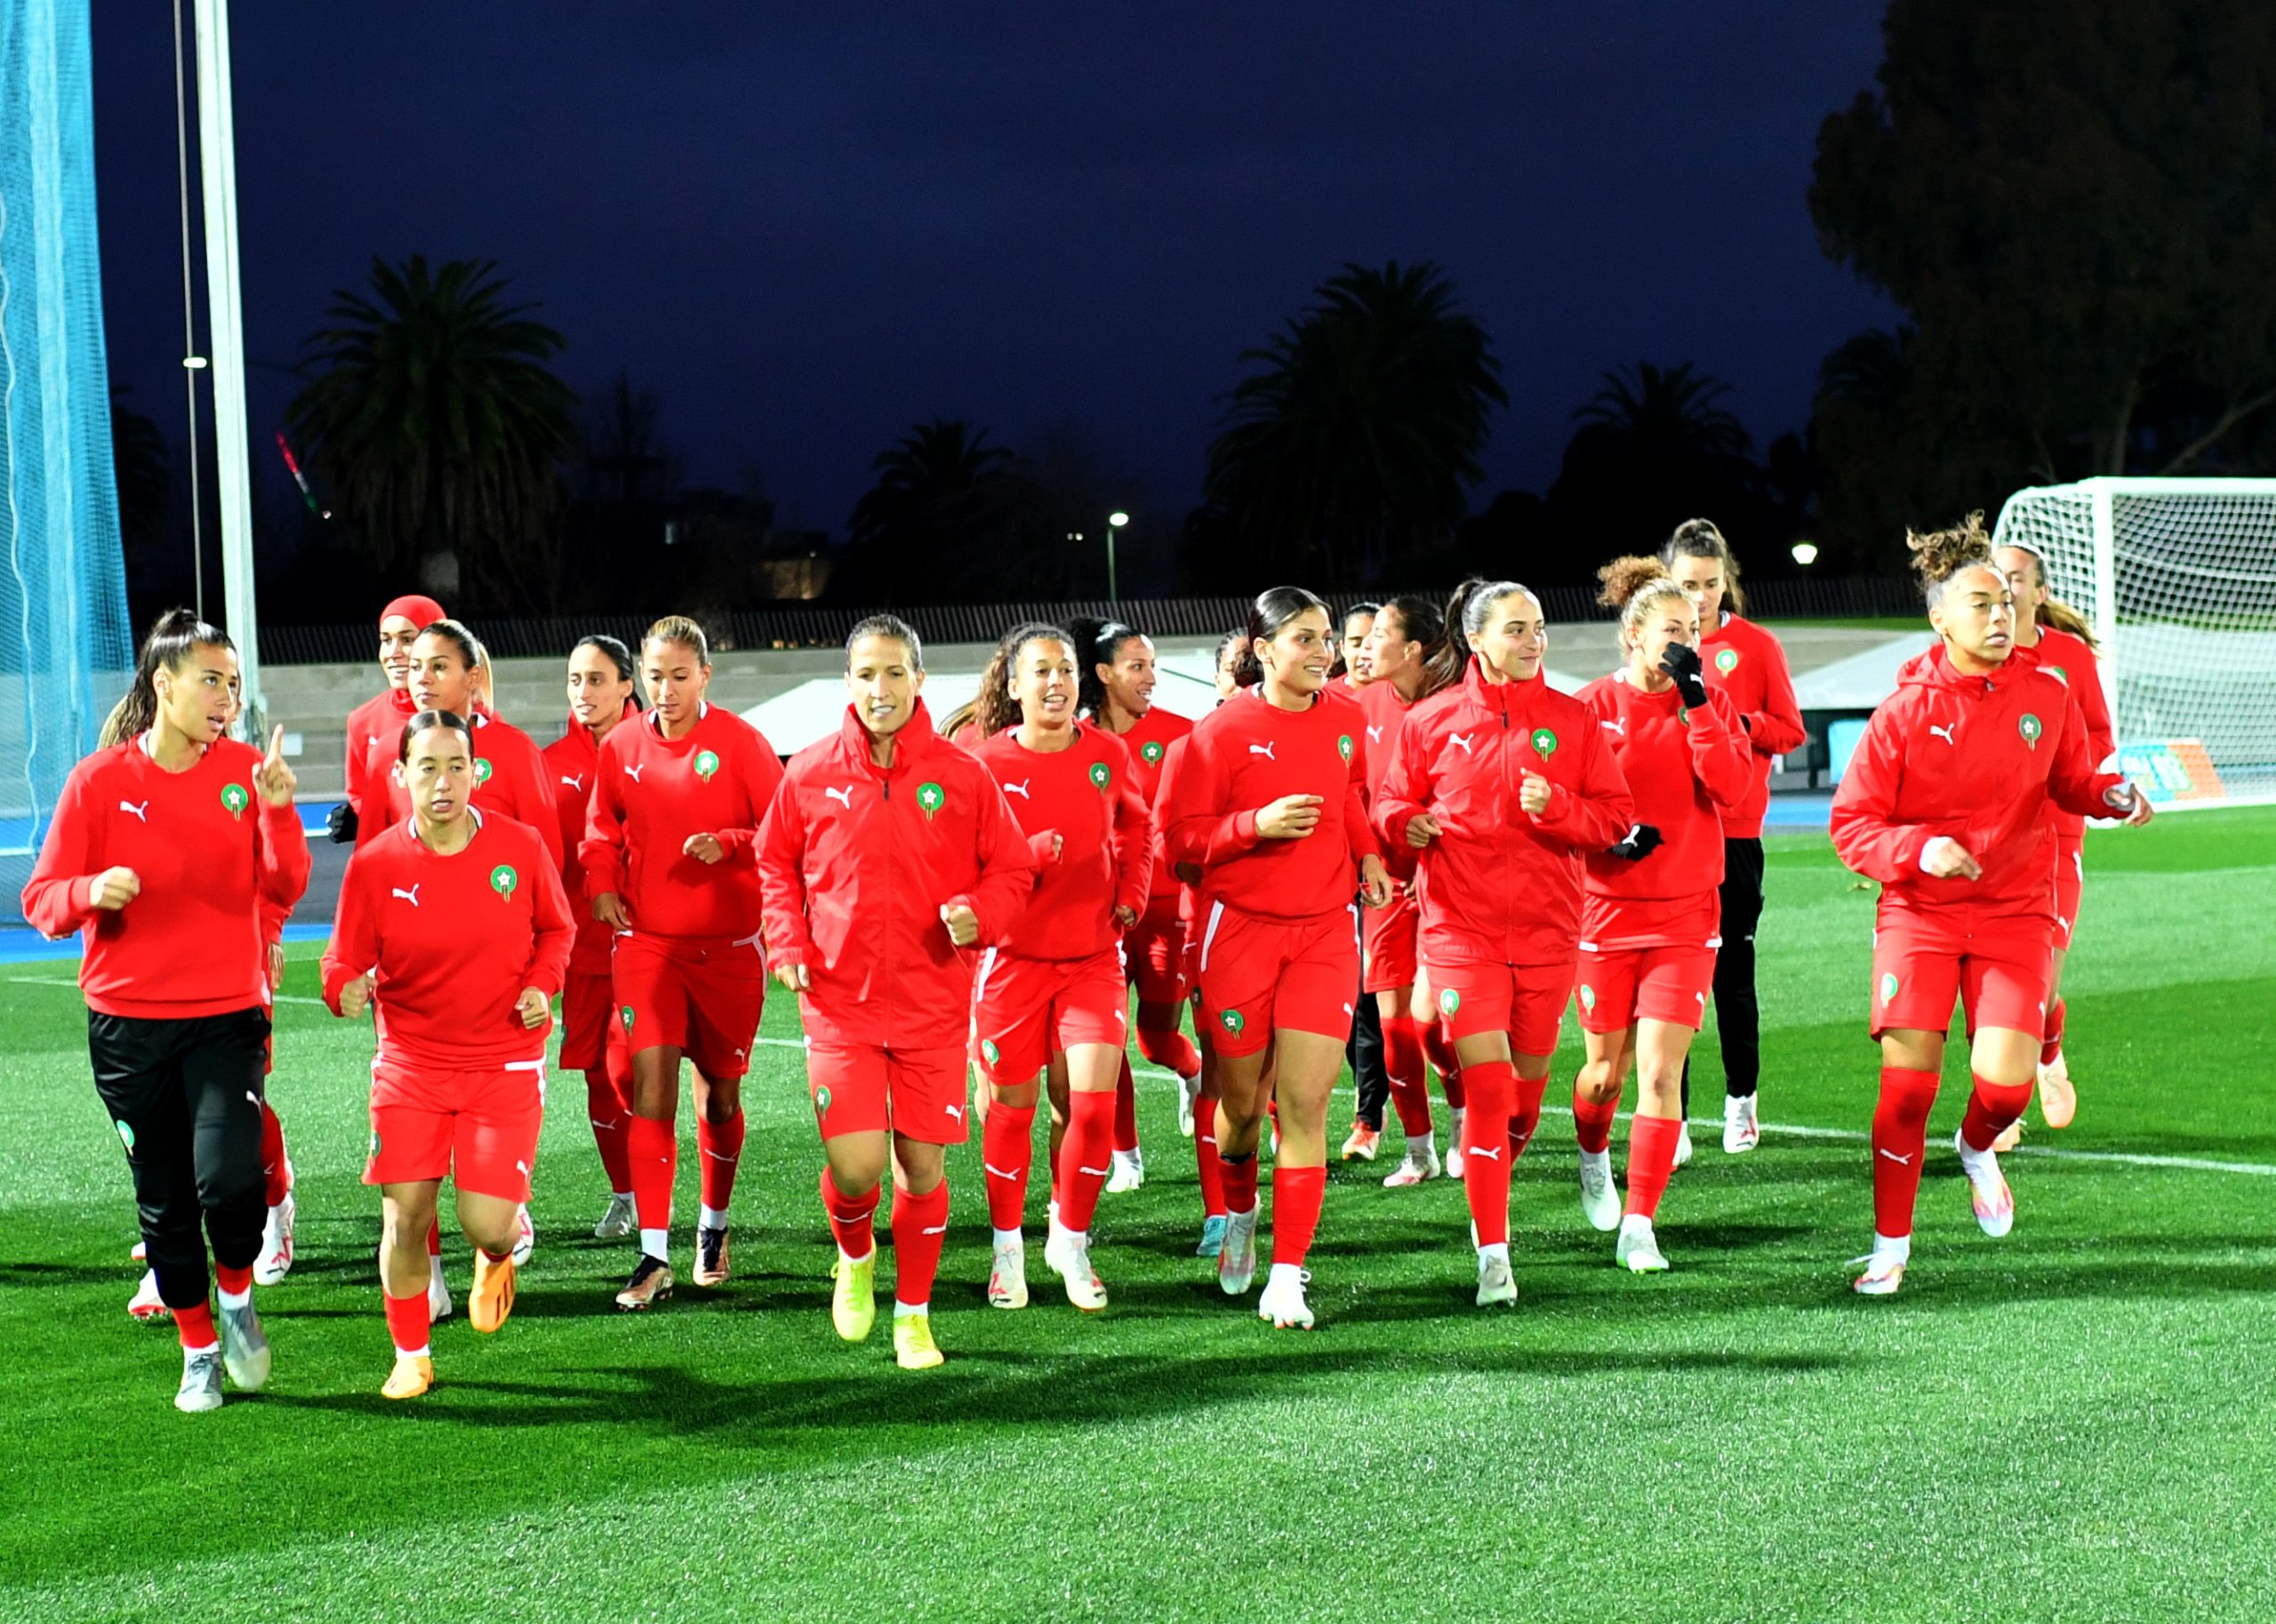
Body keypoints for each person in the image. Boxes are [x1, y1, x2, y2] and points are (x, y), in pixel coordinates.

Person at [1831, 515, 2149, 1295]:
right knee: (1907, 1090)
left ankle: (1976, 1147)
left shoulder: (2050, 689)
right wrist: (1918, 849)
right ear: (1940, 617)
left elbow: (2071, 777)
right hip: (1921, 916)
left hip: (2014, 911)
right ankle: (1889, 1246)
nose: (2000, 614)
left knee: (2004, 1089)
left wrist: (2108, 794)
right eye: (1980, 603)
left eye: (2006, 601)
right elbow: (1852, 825)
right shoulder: (1904, 711)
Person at [24, 610, 309, 1411]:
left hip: (226, 1015)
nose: (226, 697)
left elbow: (282, 887)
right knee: (165, 1199)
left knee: (227, 1182)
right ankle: (198, 1350)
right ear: (165, 684)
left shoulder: (247, 773)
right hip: (127, 1028)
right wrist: (89, 890)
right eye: (211, 680)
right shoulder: (98, 782)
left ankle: (237, 1294)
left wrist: (281, 810)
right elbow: (41, 899)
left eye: (233, 683)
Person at [759, 614, 1038, 1369]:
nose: (879, 689)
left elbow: (1013, 870)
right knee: (856, 1171)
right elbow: (775, 867)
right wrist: (787, 943)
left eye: (893, 674)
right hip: (839, 1005)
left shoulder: (962, 774)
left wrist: (978, 914)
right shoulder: (810, 771)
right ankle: (855, 1254)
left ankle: (913, 1316)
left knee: (921, 1167)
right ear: (846, 683)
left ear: (919, 679)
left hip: (932, 1007)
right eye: (865, 675)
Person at [1377, 580, 1633, 1305]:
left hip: (1553, 936)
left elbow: (1616, 820)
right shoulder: (1429, 722)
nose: (1533, 640)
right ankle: (1495, 1252)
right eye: (1516, 629)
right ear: (1479, 639)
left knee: (1521, 1105)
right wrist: (1406, 823)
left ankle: (1493, 1176)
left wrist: (1561, 807)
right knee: (1489, 1095)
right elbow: (1391, 800)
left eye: (1539, 628)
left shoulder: (1572, 720)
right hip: (1461, 933)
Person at [323, 709, 573, 1398]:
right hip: (410, 1063)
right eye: (426, 767)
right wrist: (343, 987)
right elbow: (343, 957)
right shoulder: (375, 865)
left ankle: (499, 1248)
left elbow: (557, 929)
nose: (443, 780)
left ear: (476, 772)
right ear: (400, 776)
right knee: (405, 1216)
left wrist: (540, 986)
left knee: (481, 1221)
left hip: (503, 1061)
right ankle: (412, 1352)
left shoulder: (518, 848)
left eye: (456, 765)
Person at [1163, 588, 1394, 1330]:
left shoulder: (1348, 719)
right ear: (1263, 650)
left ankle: (1288, 1276)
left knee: (1304, 1106)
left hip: (1326, 932)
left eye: (1325, 637)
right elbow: (1182, 846)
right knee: (1240, 1112)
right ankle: (1239, 1209)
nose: (1323, 651)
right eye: (1304, 638)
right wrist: (1251, 826)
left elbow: (1351, 796)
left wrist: (1367, 855)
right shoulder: (1219, 734)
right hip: (1240, 936)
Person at [581, 617, 783, 1308]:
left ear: (705, 676)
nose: (664, 690)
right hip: (648, 946)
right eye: (655, 675)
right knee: (652, 1089)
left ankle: (714, 1224)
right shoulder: (623, 746)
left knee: (719, 1094)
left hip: (728, 952)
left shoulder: (741, 743)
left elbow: (783, 832)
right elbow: (600, 827)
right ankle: (654, 1254)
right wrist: (603, 881)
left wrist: (729, 842)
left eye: (679, 675)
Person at [1572, 558, 1753, 1273]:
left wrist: (1701, 704)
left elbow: (1733, 791)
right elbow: (1564, 809)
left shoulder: (1709, 701)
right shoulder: (1589, 707)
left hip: (1685, 916)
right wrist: (1606, 836)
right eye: (1673, 630)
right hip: (1604, 913)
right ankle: (1593, 1150)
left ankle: (1640, 1222)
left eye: (1696, 629)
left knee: (1659, 1075)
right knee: (1603, 1076)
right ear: (1634, 636)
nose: (1687, 640)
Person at [968, 625, 1152, 1309]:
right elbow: (959, 862)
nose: (1055, 682)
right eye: (1040, 671)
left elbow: (1138, 828)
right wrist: (1023, 858)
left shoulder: (1108, 752)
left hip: (1092, 958)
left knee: (1094, 1109)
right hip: (1010, 964)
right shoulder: (984, 763)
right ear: (1014, 686)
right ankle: (1006, 1249)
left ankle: (1069, 1240)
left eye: (1066, 669)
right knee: (1011, 1112)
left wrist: (1131, 894)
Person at [1662, 520, 1807, 1158]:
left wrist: (1736, 721)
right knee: (1669, 981)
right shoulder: (1654, 651)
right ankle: (1673, 1115)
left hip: (1737, 832)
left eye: (1710, 584)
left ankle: (1741, 1103)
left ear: (1728, 581)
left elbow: (1790, 729)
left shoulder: (1756, 646)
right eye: (1687, 584)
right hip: (1673, 835)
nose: (1699, 598)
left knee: (1731, 974)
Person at [1067, 615, 1201, 1186]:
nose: (1151, 677)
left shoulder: (1183, 734)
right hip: (1099, 915)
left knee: (1156, 1038)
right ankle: (1127, 1156)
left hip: (1166, 907)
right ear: (1103, 673)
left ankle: (1191, 1072)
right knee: (1105, 1040)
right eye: (1137, 666)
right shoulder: (1073, 737)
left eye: (1153, 666)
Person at [1992, 538, 2115, 1144]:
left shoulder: (2068, 657)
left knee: (2038, 985)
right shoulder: (1975, 656)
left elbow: (2100, 737)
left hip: (2058, 832)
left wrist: (2069, 774)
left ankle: (2048, 1050)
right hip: (1993, 839)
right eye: (1996, 577)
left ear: (2040, 593)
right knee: (1999, 977)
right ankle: (2002, 1105)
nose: (2005, 588)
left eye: (2017, 578)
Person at [1352, 595, 1456, 1186]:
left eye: (1379, 634)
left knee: (1437, 1022)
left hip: (1450, 879)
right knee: (1393, 1023)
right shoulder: (1356, 703)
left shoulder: (1452, 704)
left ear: (1413, 648)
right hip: (1385, 884)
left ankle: (1464, 1115)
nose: (1366, 644)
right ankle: (1419, 1149)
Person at [541, 635, 644, 1237]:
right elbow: (542, 862)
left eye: (597, 679)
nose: (584, 691)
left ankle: (680, 1200)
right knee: (601, 1079)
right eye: (576, 679)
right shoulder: (550, 765)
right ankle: (625, 1192)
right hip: (583, 951)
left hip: (656, 943)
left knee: (639, 1070)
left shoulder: (658, 749)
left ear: (627, 684)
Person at [333, 594, 445, 845]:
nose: (393, 653)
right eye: (386, 640)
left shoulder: (467, 718)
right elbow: (361, 797)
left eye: (407, 639)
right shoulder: (362, 721)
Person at [1337, 603, 1379, 688]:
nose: (1364, 654)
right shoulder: (1323, 697)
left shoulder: (1405, 695)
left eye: (1374, 645)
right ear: (1342, 647)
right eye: (1356, 644)